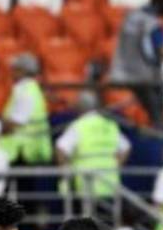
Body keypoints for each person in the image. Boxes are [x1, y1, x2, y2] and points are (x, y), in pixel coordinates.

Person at [55, 91, 131, 221]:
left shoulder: (79, 126)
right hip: (109, 184)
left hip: (86, 185)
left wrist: (65, 171)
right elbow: (126, 147)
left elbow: (61, 148)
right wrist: (116, 165)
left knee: (87, 225)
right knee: (108, 224)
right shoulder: (109, 125)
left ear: (79, 108)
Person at [0, 53, 51, 228]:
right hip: (28, 150)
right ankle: (27, 228)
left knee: (21, 196)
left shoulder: (24, 91)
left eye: (15, 68)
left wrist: (1, 125)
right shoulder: (33, 90)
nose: (12, 71)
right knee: (24, 195)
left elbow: (16, 122)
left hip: (21, 151)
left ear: (22, 71)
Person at [109, 0, 163, 128]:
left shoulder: (129, 19)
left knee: (144, 102)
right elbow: (161, 49)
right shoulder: (152, 23)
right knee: (156, 105)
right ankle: (159, 129)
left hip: (122, 72)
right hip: (143, 75)